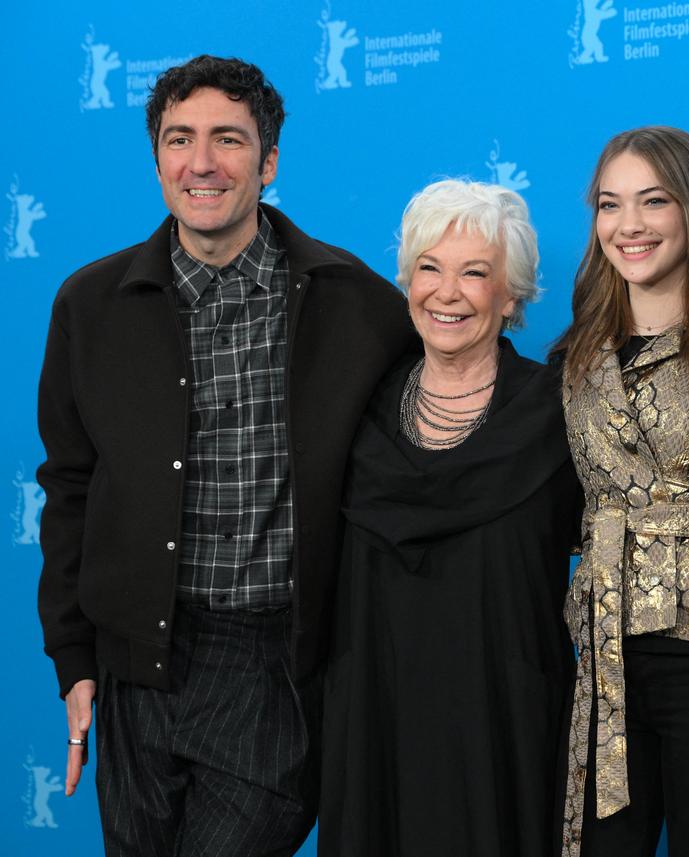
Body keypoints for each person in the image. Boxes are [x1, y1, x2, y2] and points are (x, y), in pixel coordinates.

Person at [35, 55, 416, 855]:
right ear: (157, 156)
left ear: (269, 161)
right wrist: (75, 657)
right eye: (180, 139)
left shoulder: (359, 304)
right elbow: (69, 486)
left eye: (227, 140)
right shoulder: (89, 304)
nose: (200, 162)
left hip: (274, 666)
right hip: (138, 662)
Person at [318, 179, 580, 856]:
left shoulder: (559, 412)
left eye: (475, 273)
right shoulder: (356, 409)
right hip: (377, 716)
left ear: (512, 294)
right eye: (429, 268)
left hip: (501, 723)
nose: (447, 292)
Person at [554, 127, 689, 857]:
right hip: (606, 648)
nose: (629, 225)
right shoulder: (575, 352)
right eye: (610, 205)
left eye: (654, 201)